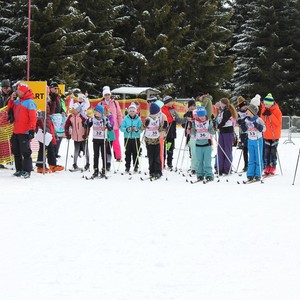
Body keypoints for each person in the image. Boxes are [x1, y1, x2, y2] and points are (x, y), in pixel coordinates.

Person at [7, 83, 37, 178]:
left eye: (19, 91)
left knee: (25, 152)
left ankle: (27, 170)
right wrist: (12, 99)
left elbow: (33, 118)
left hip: (25, 131)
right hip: (16, 130)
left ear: (23, 91)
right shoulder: (18, 101)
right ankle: (19, 169)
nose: (17, 92)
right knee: (16, 151)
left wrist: (32, 130)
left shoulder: (30, 102)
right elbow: (10, 108)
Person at [35, 99, 64, 173]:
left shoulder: (47, 102)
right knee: (43, 147)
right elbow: (40, 116)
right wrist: (43, 127)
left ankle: (52, 164)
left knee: (50, 146)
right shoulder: (40, 102)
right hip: (42, 127)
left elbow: (51, 112)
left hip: (47, 125)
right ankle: (40, 166)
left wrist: (53, 101)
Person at [85, 104, 113, 178]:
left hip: (103, 139)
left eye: (97, 111)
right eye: (95, 111)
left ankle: (104, 169)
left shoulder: (104, 119)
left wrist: (109, 127)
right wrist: (86, 123)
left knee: (103, 155)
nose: (95, 113)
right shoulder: (92, 119)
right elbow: (87, 124)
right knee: (96, 155)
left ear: (101, 112)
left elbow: (110, 126)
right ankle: (96, 170)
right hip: (95, 139)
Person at [240, 104, 266, 181]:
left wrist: (258, 126)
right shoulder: (246, 120)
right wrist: (242, 125)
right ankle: (250, 174)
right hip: (250, 140)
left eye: (248, 110)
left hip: (258, 140)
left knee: (258, 157)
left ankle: (258, 174)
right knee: (251, 157)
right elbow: (245, 130)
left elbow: (264, 129)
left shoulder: (258, 119)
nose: (246, 111)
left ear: (252, 112)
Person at [260, 93, 282, 175]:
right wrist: (264, 114)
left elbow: (277, 123)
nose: (265, 105)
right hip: (266, 134)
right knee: (266, 152)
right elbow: (262, 121)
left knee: (273, 151)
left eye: (267, 104)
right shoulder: (263, 109)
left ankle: (272, 166)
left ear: (271, 104)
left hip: (274, 135)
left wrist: (271, 115)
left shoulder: (277, 111)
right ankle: (266, 166)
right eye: (265, 104)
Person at [192, 106, 215, 181]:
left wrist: (213, 128)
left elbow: (213, 132)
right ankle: (200, 175)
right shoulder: (194, 122)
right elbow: (193, 133)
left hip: (207, 144)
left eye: (203, 116)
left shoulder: (209, 122)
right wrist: (191, 130)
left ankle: (209, 175)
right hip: (198, 145)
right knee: (199, 161)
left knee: (207, 161)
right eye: (200, 116)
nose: (202, 117)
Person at [143, 102, 166, 178]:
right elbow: (143, 127)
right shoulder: (148, 119)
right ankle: (152, 171)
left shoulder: (157, 119)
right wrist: (145, 125)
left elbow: (160, 128)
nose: (158, 114)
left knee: (157, 156)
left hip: (156, 140)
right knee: (151, 156)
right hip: (149, 141)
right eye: (157, 113)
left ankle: (158, 171)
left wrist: (164, 126)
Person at [161, 95, 185, 169]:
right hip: (164, 132)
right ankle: (162, 162)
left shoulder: (173, 109)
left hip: (171, 132)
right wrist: (171, 119)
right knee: (164, 148)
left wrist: (185, 119)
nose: (172, 103)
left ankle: (169, 162)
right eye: (171, 101)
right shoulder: (162, 109)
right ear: (167, 102)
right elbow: (164, 119)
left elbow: (178, 120)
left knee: (170, 147)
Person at [100, 86, 123, 161]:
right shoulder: (101, 103)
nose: (107, 96)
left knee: (116, 142)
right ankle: (107, 158)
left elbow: (119, 114)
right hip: (105, 127)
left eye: (108, 94)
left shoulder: (115, 103)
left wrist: (120, 123)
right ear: (103, 95)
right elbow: (98, 114)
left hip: (114, 126)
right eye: (105, 95)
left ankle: (118, 157)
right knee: (107, 143)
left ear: (110, 94)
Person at [215, 98, 238, 175]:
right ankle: (220, 168)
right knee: (220, 150)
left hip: (228, 132)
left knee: (227, 151)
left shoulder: (227, 111)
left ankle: (227, 168)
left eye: (220, 103)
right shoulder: (222, 111)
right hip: (222, 132)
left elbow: (224, 121)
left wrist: (218, 126)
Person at [64, 103, 89, 171]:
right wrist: (67, 134)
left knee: (85, 150)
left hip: (83, 136)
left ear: (78, 110)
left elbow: (87, 126)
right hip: (75, 136)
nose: (72, 110)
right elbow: (66, 125)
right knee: (76, 150)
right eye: (72, 109)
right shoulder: (70, 117)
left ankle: (87, 163)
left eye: (74, 109)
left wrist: (86, 134)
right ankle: (74, 164)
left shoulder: (82, 116)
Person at [120, 102, 143, 172]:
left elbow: (141, 129)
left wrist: (137, 130)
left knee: (136, 152)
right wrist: (127, 129)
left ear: (136, 111)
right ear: (128, 111)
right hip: (128, 138)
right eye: (130, 111)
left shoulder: (138, 119)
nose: (132, 112)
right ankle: (127, 166)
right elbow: (121, 128)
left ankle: (136, 166)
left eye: (133, 111)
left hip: (136, 138)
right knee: (128, 153)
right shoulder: (125, 119)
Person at [49, 81, 65, 158]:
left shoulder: (58, 96)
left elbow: (61, 106)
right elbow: (50, 108)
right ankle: (52, 152)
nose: (56, 90)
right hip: (52, 118)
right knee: (53, 136)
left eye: (57, 88)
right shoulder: (49, 96)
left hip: (58, 118)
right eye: (55, 88)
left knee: (60, 135)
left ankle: (56, 151)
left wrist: (63, 111)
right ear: (50, 88)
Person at [183, 100, 197, 174]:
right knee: (190, 148)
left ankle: (195, 165)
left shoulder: (197, 113)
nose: (192, 107)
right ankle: (192, 165)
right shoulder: (187, 113)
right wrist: (186, 119)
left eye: (193, 106)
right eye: (190, 106)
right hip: (188, 134)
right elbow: (183, 124)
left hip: (195, 134)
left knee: (195, 149)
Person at [236, 96, 248, 171]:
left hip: (250, 132)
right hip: (243, 133)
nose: (245, 107)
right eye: (243, 106)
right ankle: (246, 164)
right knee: (245, 149)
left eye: (246, 105)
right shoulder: (238, 113)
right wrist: (244, 119)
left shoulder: (249, 111)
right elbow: (238, 121)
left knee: (251, 149)